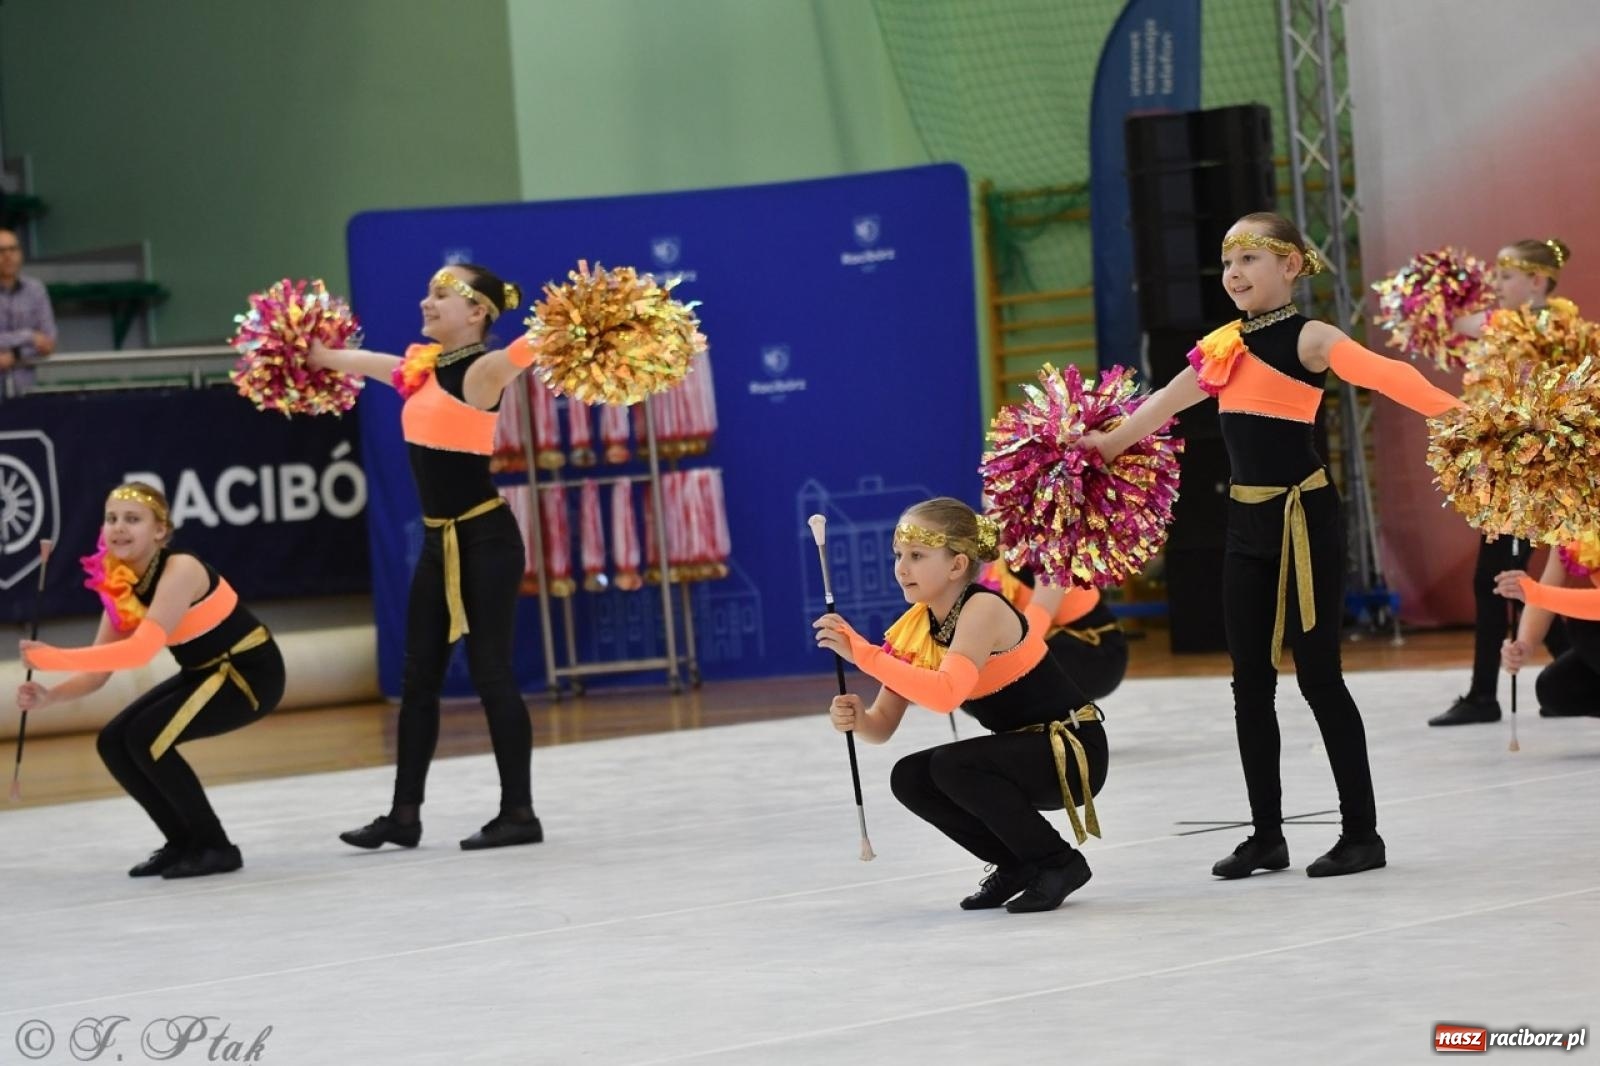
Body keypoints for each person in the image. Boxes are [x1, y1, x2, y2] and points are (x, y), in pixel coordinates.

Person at [1081, 211, 1461, 880]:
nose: (1235, 272)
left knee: (1319, 677)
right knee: (1248, 684)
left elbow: (1385, 376)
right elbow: (1167, 400)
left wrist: (1463, 417)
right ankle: (1266, 837)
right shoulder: (1224, 343)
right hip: (1246, 523)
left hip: (1304, 517)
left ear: (1290, 266)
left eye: (1251, 258)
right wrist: (1108, 444)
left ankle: (1361, 834)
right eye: (1228, 260)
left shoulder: (1311, 336)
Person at [309, 263, 544, 852]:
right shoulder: (419, 370)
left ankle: (519, 812)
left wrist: (575, 320)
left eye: (441, 295)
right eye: (428, 293)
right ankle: (403, 815)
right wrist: (318, 356)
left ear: (477, 313)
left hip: (486, 541)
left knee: (492, 673)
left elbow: (532, 345)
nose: (426, 302)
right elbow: (367, 364)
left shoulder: (485, 370)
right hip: (441, 544)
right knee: (418, 681)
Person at [815, 497, 1107, 914]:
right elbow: (880, 727)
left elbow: (945, 694)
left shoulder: (982, 608)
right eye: (899, 554)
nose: (902, 567)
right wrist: (856, 718)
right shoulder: (917, 627)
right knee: (910, 776)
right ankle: (1015, 864)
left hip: (1073, 750)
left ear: (956, 566)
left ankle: (1058, 862)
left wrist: (864, 655)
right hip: (1026, 754)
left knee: (953, 766)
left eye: (917, 555)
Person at [16, 482, 284, 879]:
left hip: (246, 674)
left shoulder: (181, 569)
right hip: (204, 673)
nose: (119, 528)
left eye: (132, 519)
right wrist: (49, 696)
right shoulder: (121, 586)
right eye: (111, 519)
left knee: (146, 739)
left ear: (160, 531)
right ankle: (182, 842)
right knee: (113, 741)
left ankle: (216, 846)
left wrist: (55, 657)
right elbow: (97, 673)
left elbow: (139, 652)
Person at [1431, 238, 1574, 726]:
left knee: (1496, 579)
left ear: (1536, 281)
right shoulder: (1550, 326)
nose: (1498, 285)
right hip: (1525, 471)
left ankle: (1483, 695)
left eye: (1507, 277)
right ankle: (1571, 679)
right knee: (1534, 573)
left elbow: (1460, 324)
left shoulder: (1534, 327)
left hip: (1528, 473)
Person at [978, 559, 1127, 702]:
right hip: (1048, 644)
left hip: (1094, 649)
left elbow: (1040, 615)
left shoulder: (1048, 547)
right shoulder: (987, 555)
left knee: (994, 675)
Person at [1495, 531, 1600, 717]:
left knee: (1584, 626)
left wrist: (1536, 593)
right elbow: (1549, 585)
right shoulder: (1573, 520)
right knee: (1556, 688)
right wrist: (1524, 645)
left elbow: (1543, 594)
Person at [0, 227, 57, 399]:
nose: (8, 256)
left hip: (25, 391)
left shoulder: (36, 290)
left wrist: (14, 354)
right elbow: (37, 339)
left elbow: (49, 341)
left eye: (13, 249)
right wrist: (29, 336)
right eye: (1, 251)